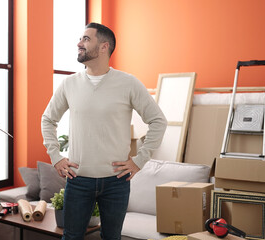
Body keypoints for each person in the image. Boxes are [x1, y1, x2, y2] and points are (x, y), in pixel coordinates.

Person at [41, 22, 167, 240]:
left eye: (86, 39)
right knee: (71, 237)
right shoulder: (69, 84)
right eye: (81, 39)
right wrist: (55, 157)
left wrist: (139, 160)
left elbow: (158, 121)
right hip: (78, 180)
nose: (79, 43)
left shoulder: (128, 83)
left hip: (116, 182)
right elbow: (48, 119)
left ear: (104, 47)